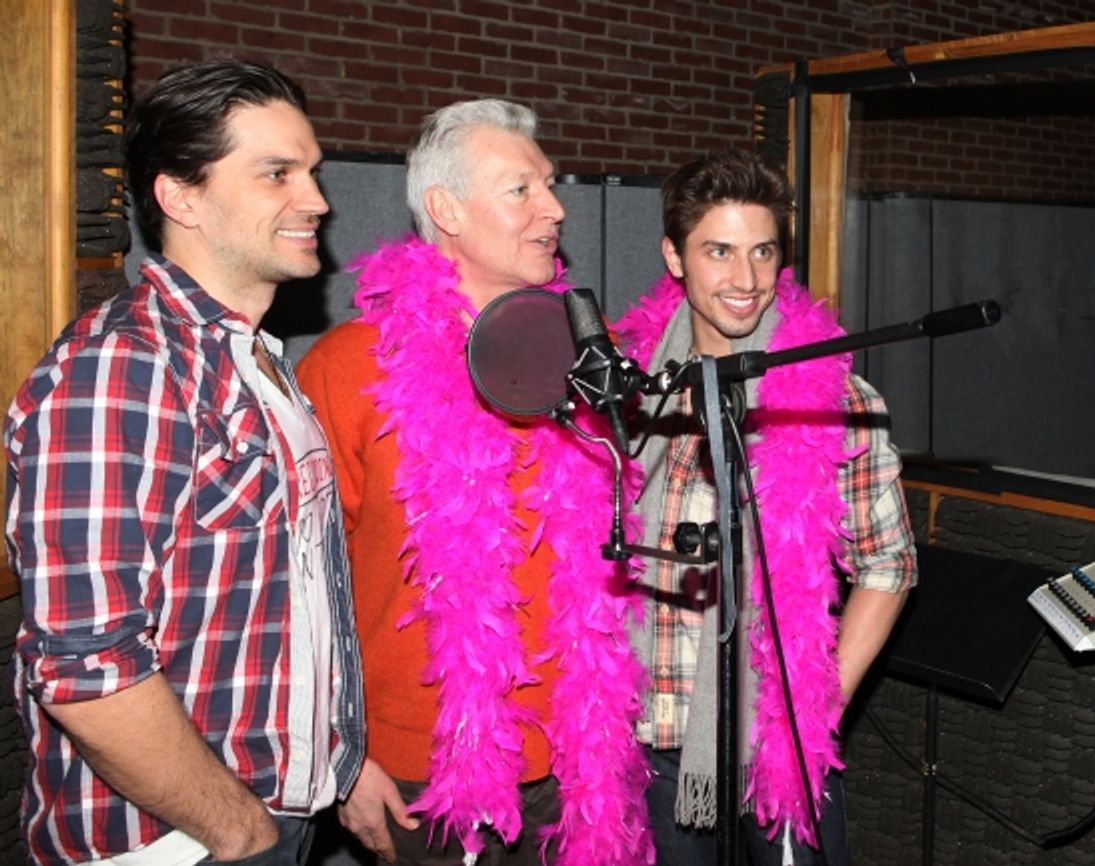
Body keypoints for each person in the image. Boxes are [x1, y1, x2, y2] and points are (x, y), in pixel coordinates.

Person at [6, 59, 364, 866]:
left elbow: (297, 601)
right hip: (175, 839)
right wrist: (237, 829)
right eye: (277, 173)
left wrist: (344, 761)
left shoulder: (258, 361)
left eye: (311, 171)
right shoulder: (125, 368)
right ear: (180, 195)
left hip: (270, 814)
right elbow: (84, 665)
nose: (316, 200)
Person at [294, 99, 653, 866]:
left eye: (550, 185)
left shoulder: (594, 357)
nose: (555, 209)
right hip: (418, 771)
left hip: (576, 763)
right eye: (521, 189)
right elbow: (297, 593)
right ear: (446, 209)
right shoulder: (348, 369)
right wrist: (341, 754)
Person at [615, 148, 917, 866]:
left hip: (777, 748)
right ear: (674, 255)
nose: (746, 280)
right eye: (718, 251)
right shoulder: (626, 389)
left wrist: (807, 710)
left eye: (763, 252)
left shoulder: (834, 397)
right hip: (648, 736)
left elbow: (890, 564)